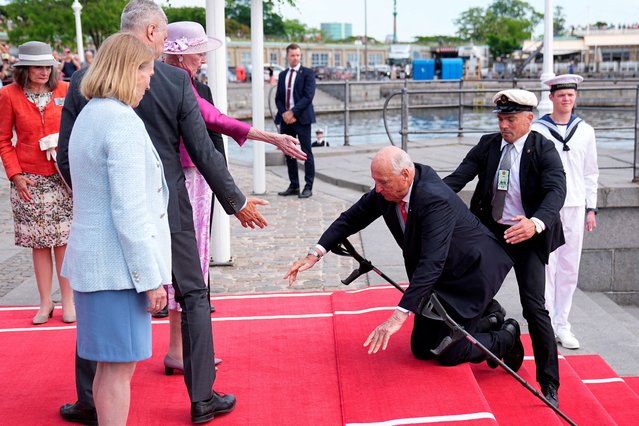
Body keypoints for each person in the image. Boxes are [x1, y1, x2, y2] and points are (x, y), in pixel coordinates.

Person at [57, 1, 269, 424]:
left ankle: (88, 400)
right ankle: (201, 397)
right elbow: (204, 150)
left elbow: (65, 157)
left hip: (104, 224)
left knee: (99, 309)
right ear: (154, 33)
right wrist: (237, 203)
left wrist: (94, 200)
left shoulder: (82, 80)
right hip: (166, 208)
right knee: (192, 293)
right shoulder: (174, 81)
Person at [285, 146, 522, 372]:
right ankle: (490, 318)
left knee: (450, 353)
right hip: (442, 272)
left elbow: (432, 261)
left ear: (406, 175)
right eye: (375, 181)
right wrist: (315, 253)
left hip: (472, 272)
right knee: (421, 349)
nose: (377, 189)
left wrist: (399, 315)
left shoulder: (433, 198)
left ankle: (507, 336)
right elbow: (351, 218)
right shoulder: (388, 189)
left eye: (383, 182)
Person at [160, 20, 305, 375]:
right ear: (179, 56)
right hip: (176, 182)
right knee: (187, 266)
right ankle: (177, 355)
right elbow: (213, 120)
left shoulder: (184, 82)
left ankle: (177, 351)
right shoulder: (172, 84)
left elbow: (214, 128)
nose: (204, 59)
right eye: (198, 53)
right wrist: (271, 139)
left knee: (188, 266)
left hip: (186, 181)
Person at [61, 32, 169, 426]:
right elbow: (128, 209)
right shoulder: (121, 121)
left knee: (109, 367)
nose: (149, 81)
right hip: (118, 270)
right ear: (128, 70)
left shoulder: (90, 113)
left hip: (94, 264)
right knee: (119, 369)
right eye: (147, 72)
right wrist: (150, 279)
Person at [443, 89, 566, 408]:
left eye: (510, 119)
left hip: (527, 234)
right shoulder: (487, 145)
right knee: (468, 288)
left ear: (529, 119)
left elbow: (556, 191)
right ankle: (502, 332)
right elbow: (457, 179)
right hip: (491, 231)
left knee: (534, 306)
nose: (503, 125)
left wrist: (536, 222)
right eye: (500, 118)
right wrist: (419, 191)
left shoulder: (543, 149)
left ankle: (549, 382)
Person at [0, 41, 74, 325]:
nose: (44, 72)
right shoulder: (9, 95)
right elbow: (3, 140)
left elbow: (78, 128)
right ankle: (45, 303)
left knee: (65, 242)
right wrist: (16, 175)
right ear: (24, 69)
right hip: (28, 180)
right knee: (40, 244)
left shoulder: (65, 91)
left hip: (62, 179)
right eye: (37, 67)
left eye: (47, 66)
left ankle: (68, 301)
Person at [532, 74, 599, 350]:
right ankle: (545, 321)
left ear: (575, 97)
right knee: (548, 265)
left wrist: (591, 207)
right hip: (547, 207)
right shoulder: (538, 130)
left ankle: (563, 322)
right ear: (551, 97)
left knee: (570, 267)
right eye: (561, 95)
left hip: (574, 205)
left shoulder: (586, 131)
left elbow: (590, 172)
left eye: (570, 95)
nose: (566, 99)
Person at [276, 43, 317, 199]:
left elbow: (308, 96)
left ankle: (308, 187)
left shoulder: (307, 73)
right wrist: (284, 114)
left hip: (302, 118)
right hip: (285, 119)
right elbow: (278, 98)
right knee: (289, 153)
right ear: (287, 56)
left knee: (306, 153)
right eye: (293, 55)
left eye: (298, 55)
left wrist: (293, 112)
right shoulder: (282, 75)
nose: (295, 58)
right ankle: (294, 185)